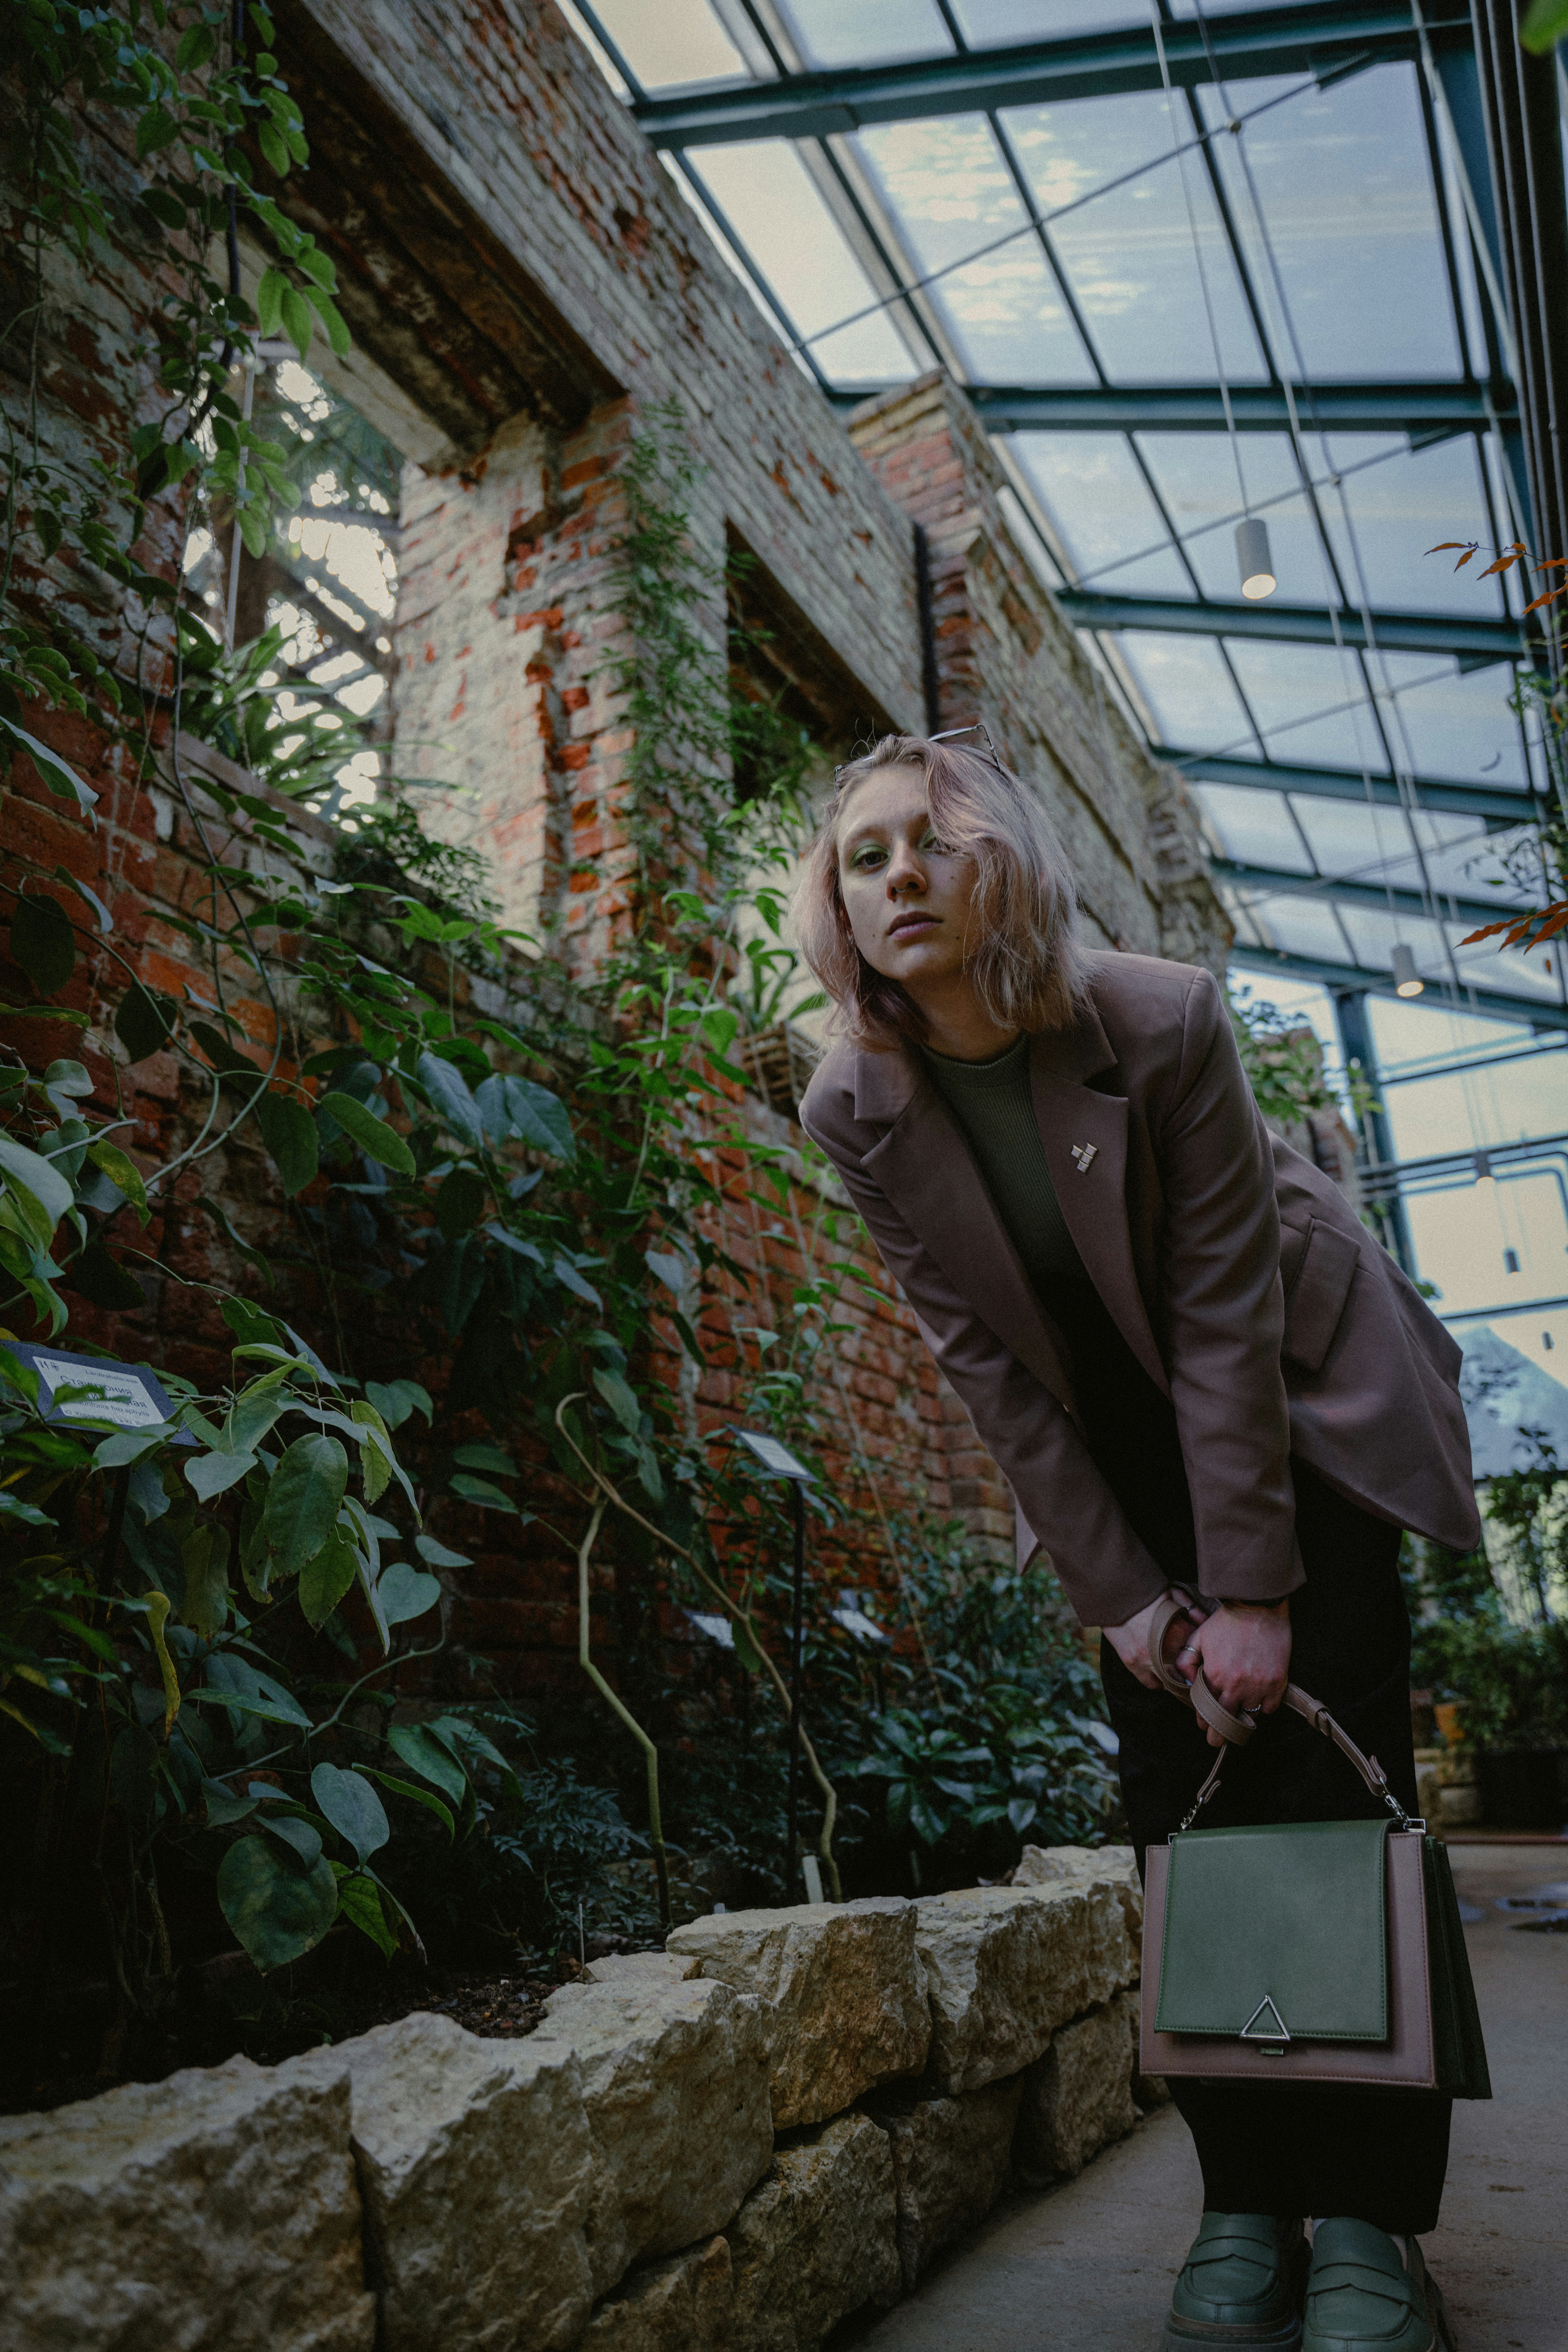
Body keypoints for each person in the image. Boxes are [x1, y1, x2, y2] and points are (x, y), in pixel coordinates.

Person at [795, 729, 1479, 2352]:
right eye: (865, 856)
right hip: (1111, 1425)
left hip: (1298, 1396)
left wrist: (1252, 1591)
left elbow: (1228, 1311)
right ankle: (1246, 2192)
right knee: (1184, 1803)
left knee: (1333, 1783)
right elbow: (983, 1365)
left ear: (1005, 862)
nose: (900, 874)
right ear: (839, 904)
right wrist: (1125, 1600)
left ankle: (1371, 2214)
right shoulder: (853, 1102)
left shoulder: (1160, 1017)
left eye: (933, 841)